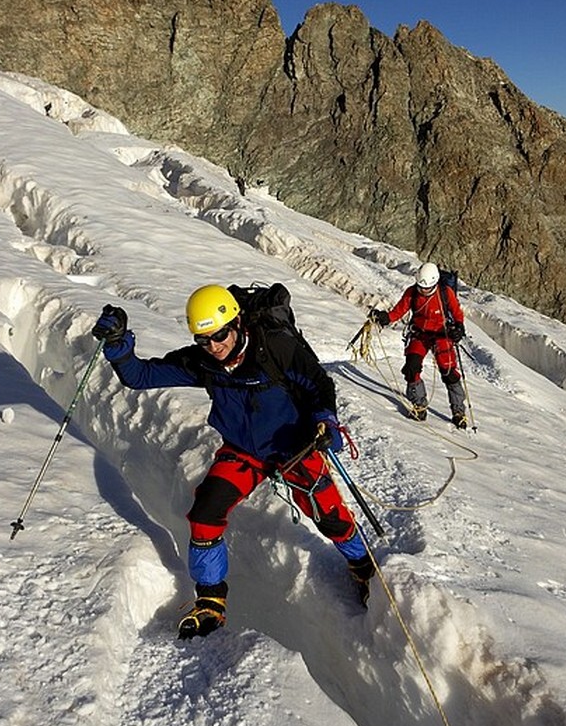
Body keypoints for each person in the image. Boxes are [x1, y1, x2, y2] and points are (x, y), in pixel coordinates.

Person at [92, 285, 374, 639]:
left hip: (294, 449)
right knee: (205, 512)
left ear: (237, 323)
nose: (213, 346)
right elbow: (140, 376)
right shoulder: (204, 362)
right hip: (245, 452)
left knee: (328, 513)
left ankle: (362, 565)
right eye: (203, 339)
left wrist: (325, 420)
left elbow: (319, 386)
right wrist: (118, 344)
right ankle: (210, 599)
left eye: (220, 335)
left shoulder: (277, 350)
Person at [369, 262, 467, 427]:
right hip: (420, 334)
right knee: (411, 367)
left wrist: (459, 327)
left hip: (442, 335)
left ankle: (458, 411)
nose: (424, 291)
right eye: (421, 287)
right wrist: (384, 317)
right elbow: (398, 311)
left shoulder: (445, 293)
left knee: (448, 371)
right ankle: (419, 405)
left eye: (427, 288)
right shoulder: (412, 292)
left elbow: (457, 313)